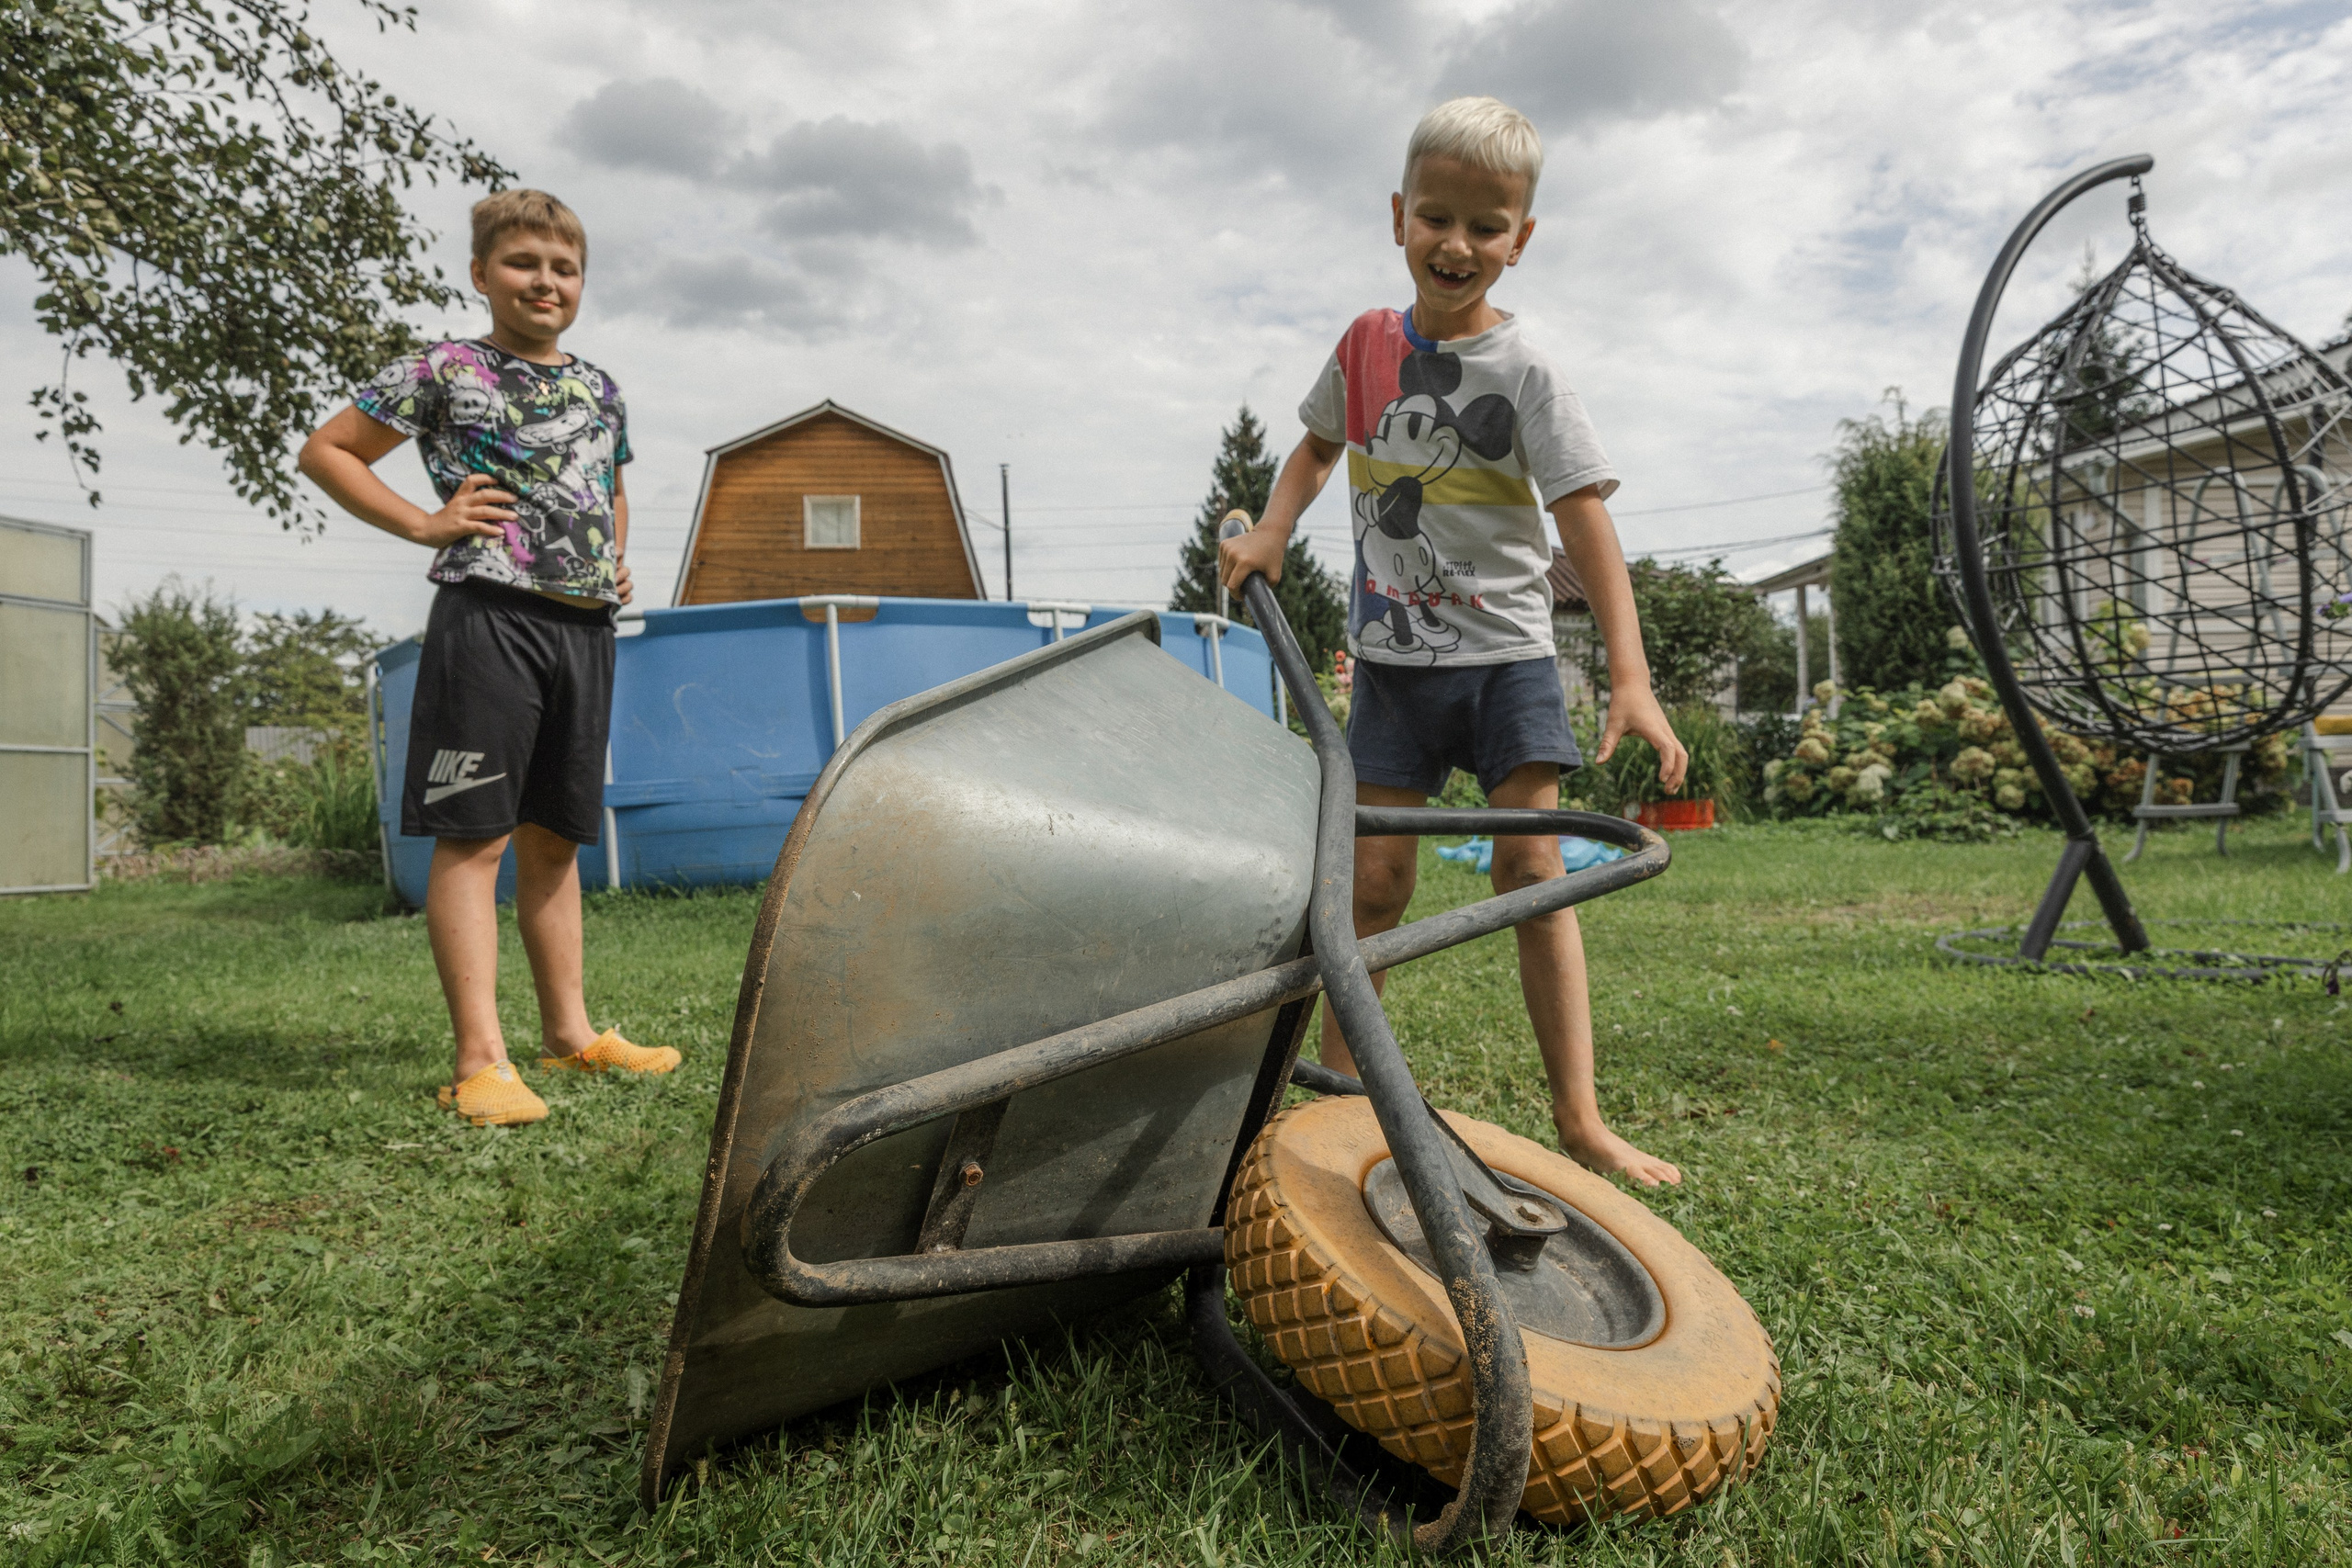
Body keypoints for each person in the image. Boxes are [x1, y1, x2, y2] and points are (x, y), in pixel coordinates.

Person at [1219, 97, 1689, 1186]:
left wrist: (1630, 674)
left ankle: (1581, 1120)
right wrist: (1278, 528)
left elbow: (1586, 522)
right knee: (1371, 890)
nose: (1458, 244)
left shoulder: (1528, 375)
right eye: (1437, 216)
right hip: (1391, 670)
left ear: (1520, 240)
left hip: (1508, 663)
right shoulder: (1366, 347)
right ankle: (1342, 1105)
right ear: (1398, 217)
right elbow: (1313, 449)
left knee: (1532, 870)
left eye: (1488, 225)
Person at [298, 189, 679, 1127]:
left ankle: (571, 1036)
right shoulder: (445, 368)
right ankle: (480, 1063)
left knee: (556, 837)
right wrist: (426, 521)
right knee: (478, 838)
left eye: (563, 268)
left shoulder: (601, 386)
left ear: (579, 283)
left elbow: (608, 484)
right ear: (481, 274)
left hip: (583, 629)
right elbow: (328, 450)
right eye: (523, 264)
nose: (545, 282)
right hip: (490, 621)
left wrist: (613, 561)